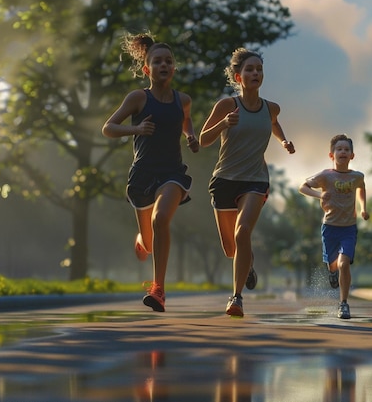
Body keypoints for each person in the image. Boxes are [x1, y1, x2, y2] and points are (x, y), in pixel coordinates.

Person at [102, 32, 199, 312]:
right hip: (142, 174)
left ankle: (158, 290)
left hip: (172, 173)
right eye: (157, 62)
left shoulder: (183, 100)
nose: (164, 65)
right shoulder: (137, 98)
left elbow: (186, 121)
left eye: (168, 61)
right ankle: (141, 241)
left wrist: (190, 136)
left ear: (174, 67)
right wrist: (136, 129)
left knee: (160, 220)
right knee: (148, 240)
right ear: (147, 69)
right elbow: (108, 128)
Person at [199, 47, 295, 317]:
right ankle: (247, 263)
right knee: (231, 249)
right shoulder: (227, 106)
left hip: (255, 180)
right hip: (224, 179)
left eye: (259, 69)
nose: (255, 73)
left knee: (243, 234)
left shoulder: (271, 107)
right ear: (238, 76)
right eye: (250, 70)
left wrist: (284, 140)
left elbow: (273, 122)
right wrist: (223, 124)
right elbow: (203, 140)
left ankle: (236, 298)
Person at [298, 134, 369, 319]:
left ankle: (343, 304)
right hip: (329, 228)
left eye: (346, 149)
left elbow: (361, 188)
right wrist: (318, 195)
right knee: (333, 266)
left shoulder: (357, 176)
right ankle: (332, 272)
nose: (343, 152)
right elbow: (303, 186)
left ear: (352, 155)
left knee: (344, 264)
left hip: (348, 229)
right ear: (332, 155)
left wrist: (363, 209)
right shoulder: (325, 175)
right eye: (339, 149)